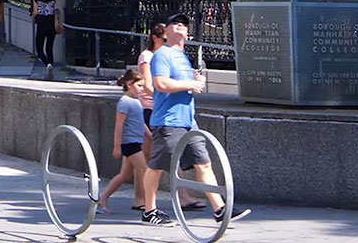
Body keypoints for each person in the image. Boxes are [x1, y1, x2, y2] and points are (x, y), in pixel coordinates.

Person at [140, 13, 250, 226]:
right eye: (176, 23)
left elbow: (181, 85)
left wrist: (194, 81)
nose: (180, 26)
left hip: (188, 121)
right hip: (168, 121)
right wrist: (190, 85)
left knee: (203, 162)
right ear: (167, 30)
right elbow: (161, 84)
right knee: (156, 166)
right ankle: (149, 211)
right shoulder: (162, 55)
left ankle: (219, 208)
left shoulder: (183, 57)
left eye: (184, 24)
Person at [139, 21, 202, 212]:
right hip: (155, 110)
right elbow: (152, 86)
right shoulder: (150, 57)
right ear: (155, 37)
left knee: (169, 160)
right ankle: (144, 203)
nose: (164, 40)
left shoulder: (177, 56)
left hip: (180, 115)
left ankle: (215, 206)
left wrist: (191, 83)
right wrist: (183, 86)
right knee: (152, 161)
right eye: (161, 36)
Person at [97, 69, 147, 214]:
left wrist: (149, 135)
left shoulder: (135, 102)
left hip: (135, 141)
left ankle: (102, 199)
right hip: (129, 143)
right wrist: (117, 147)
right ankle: (148, 203)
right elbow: (119, 125)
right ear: (130, 84)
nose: (142, 89)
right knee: (144, 170)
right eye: (140, 86)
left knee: (125, 175)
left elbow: (140, 122)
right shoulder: (124, 102)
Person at [30, 0, 62, 79]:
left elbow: (35, 11)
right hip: (51, 22)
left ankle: (47, 64)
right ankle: (51, 68)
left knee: (39, 48)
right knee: (49, 47)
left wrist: (33, 17)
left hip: (41, 23)